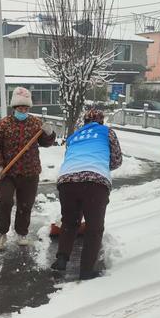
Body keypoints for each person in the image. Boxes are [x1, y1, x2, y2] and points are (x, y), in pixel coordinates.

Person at [51, 108, 122, 280]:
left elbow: (70, 157)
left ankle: (61, 259)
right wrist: (102, 166)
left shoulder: (74, 136)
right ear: (101, 121)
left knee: (69, 222)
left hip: (67, 180)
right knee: (94, 227)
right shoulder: (106, 132)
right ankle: (86, 270)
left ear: (85, 122)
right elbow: (117, 160)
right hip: (95, 183)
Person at [0, 87, 56, 250]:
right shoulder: (3, 124)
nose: (23, 111)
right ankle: (1, 233)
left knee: (25, 204)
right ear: (14, 108)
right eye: (20, 108)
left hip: (30, 172)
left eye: (26, 108)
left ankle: (22, 233)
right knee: (3, 201)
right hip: (7, 173)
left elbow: (46, 143)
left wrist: (49, 133)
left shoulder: (35, 123)